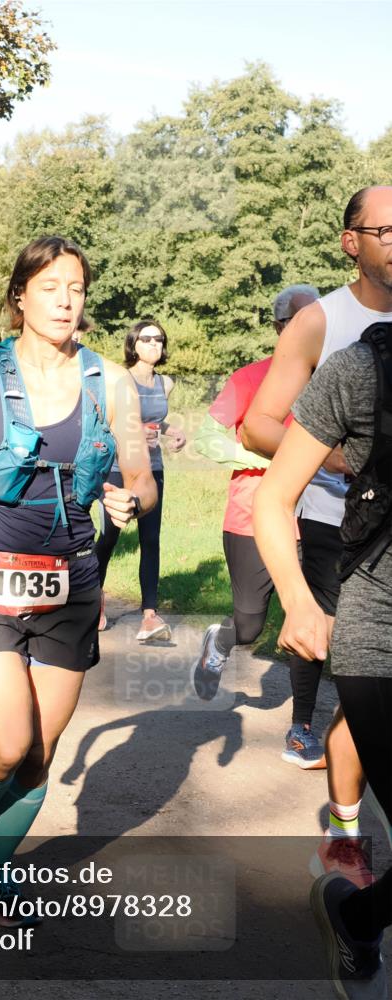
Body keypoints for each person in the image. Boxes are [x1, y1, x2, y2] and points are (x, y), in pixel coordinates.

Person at [0, 236, 158, 920]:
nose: (65, 300)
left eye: (75, 287)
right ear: (20, 296)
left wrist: (130, 502)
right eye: (49, 287)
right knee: (9, 742)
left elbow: (141, 478)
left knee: (41, 753)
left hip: (71, 584)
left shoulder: (114, 384)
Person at [243, 186, 392, 877]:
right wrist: (340, 455)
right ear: (350, 242)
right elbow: (258, 424)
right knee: (364, 685)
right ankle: (345, 832)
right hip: (339, 527)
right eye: (386, 230)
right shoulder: (320, 323)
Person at [253, 323, 392, 1000]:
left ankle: (357, 916)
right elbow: (273, 495)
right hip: (381, 629)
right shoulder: (361, 369)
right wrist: (299, 601)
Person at [191, 284, 319, 703]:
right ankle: (220, 642)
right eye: (297, 320)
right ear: (279, 327)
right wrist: (268, 461)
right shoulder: (250, 377)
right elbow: (207, 439)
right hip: (253, 518)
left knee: (311, 616)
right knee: (249, 625)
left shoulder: (333, 376)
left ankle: (302, 724)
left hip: (317, 516)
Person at [94, 318, 186, 639]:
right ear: (133, 345)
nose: (153, 344)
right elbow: (106, 423)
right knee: (109, 536)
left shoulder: (166, 384)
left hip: (152, 468)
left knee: (150, 539)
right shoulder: (121, 382)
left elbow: (155, 421)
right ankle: (93, 598)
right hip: (118, 467)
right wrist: (135, 433)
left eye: (158, 339)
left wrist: (172, 431)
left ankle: (149, 615)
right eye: (146, 339)